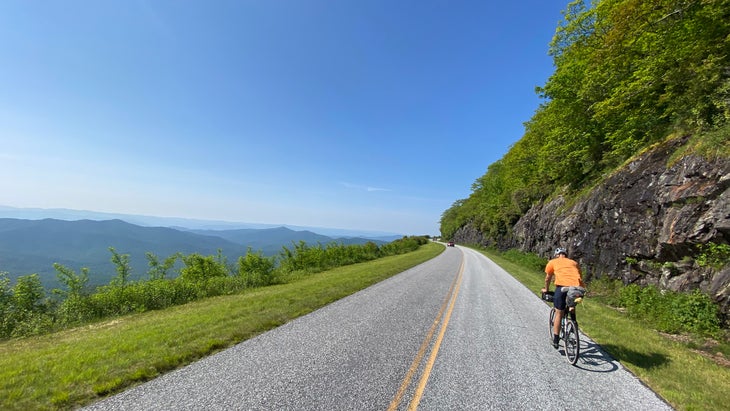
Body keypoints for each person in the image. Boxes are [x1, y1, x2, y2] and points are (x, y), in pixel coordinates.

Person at [542, 247, 585, 348]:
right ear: (566, 255)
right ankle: (573, 325)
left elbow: (548, 278)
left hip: (562, 288)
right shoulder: (574, 263)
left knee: (559, 313)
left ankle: (556, 340)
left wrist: (546, 289)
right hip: (577, 288)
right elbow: (580, 276)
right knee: (571, 305)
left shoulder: (553, 262)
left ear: (557, 255)